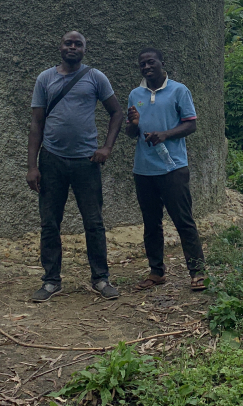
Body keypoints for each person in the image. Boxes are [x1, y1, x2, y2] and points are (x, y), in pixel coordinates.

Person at [27, 31, 123, 302]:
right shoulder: (45, 78)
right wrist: (32, 166)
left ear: (84, 49)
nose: (72, 47)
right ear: (60, 47)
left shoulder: (95, 77)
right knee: (49, 223)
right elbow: (36, 124)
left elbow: (116, 112)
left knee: (93, 222)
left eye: (78, 44)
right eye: (68, 43)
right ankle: (51, 281)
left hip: (86, 162)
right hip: (52, 160)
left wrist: (106, 147)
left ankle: (101, 278)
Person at [125, 48, 207, 292]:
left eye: (151, 62)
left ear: (162, 63)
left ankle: (197, 271)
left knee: (183, 221)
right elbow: (130, 133)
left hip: (173, 168)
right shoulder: (135, 94)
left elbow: (190, 125)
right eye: (142, 64)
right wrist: (134, 125)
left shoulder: (179, 90)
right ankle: (156, 272)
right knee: (151, 224)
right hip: (144, 169)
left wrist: (165, 135)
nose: (146, 67)